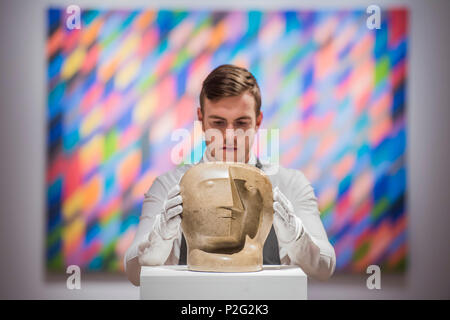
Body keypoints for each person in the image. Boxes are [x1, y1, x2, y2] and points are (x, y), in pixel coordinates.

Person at [124, 64, 336, 286]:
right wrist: (157, 242)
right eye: (218, 122)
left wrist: (297, 237)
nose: (229, 135)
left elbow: (324, 267)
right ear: (201, 118)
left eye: (241, 123)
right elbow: (133, 273)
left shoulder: (291, 184)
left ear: (258, 120)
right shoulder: (168, 186)